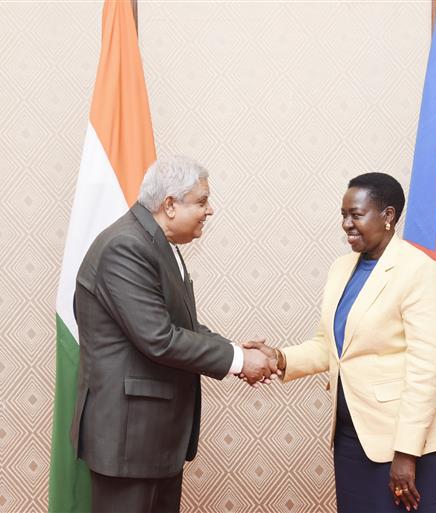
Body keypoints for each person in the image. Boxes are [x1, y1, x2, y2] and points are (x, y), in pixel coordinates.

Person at [247, 172, 436, 513]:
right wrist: (277, 357)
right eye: (343, 215)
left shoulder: (420, 272)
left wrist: (407, 453)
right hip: (354, 436)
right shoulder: (341, 269)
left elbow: (429, 369)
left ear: (389, 216)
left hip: (412, 442)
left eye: (356, 215)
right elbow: (331, 346)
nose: (347, 224)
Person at [70, 155, 278, 513]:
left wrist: (234, 350)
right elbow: (160, 338)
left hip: (152, 439)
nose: (209, 211)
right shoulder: (126, 246)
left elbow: (184, 329)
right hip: (128, 439)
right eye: (201, 201)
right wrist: (241, 360)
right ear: (169, 205)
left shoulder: (158, 245)